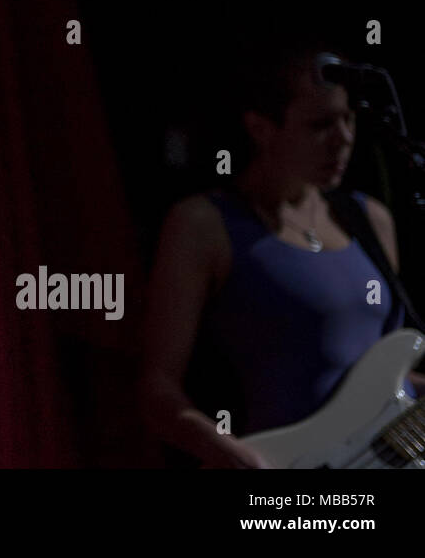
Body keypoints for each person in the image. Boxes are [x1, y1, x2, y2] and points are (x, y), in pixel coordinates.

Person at [140, 39, 425, 468]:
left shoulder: (370, 219)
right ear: (260, 128)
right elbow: (156, 389)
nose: (344, 139)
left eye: (349, 118)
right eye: (320, 125)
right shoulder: (204, 224)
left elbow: (389, 381)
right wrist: (232, 456)